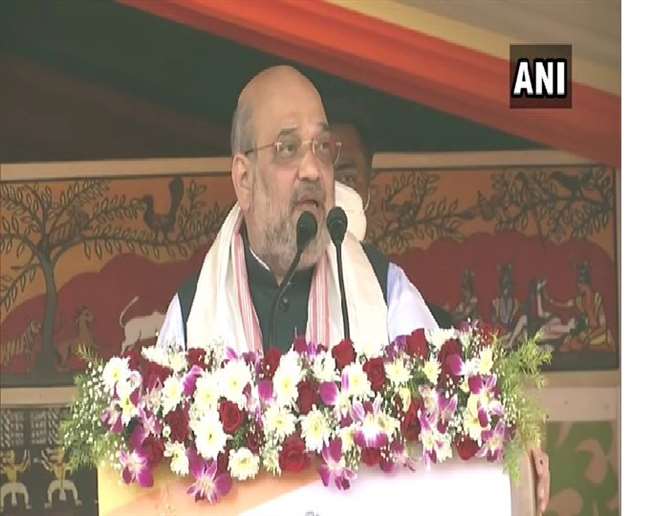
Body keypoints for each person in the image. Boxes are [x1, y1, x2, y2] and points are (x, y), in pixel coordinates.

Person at [155, 65, 549, 513]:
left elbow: (457, 412)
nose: (312, 169)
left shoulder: (383, 290)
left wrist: (519, 441)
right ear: (244, 179)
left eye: (322, 148)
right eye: (287, 148)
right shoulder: (193, 312)